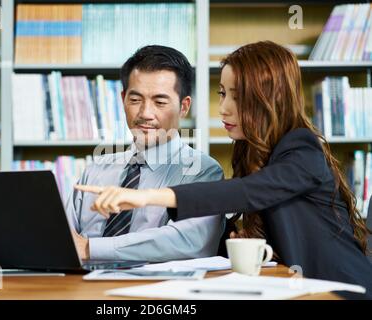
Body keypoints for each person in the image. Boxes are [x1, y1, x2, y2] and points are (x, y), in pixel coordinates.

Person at [76, 41, 372, 299]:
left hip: (340, 287)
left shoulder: (302, 148)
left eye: (238, 96)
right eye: (222, 94)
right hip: (297, 286)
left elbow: (246, 193)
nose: (224, 108)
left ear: (270, 99)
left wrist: (146, 197)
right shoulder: (249, 148)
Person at [68, 45, 225, 262]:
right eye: (135, 100)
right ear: (123, 99)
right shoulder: (97, 169)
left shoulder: (203, 172)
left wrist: (90, 248)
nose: (145, 113)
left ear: (184, 107)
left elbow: (189, 242)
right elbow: (65, 239)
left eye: (159, 102)